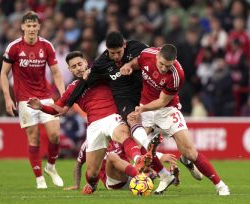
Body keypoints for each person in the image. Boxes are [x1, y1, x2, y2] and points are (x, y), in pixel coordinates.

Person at [60, 31, 177, 193]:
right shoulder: (96, 133)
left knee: (144, 139)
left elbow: (155, 57)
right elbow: (79, 162)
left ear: (124, 46)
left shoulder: (137, 48)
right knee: (117, 153)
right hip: (115, 176)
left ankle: (166, 170)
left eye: (118, 53)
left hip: (144, 95)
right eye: (111, 53)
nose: (115, 57)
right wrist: (68, 103)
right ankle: (147, 171)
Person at [27, 51, 155, 194]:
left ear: (86, 63)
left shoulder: (101, 74)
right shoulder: (72, 88)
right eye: (74, 66)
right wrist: (41, 107)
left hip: (111, 116)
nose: (78, 68)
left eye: (80, 64)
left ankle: (138, 160)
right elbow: (59, 109)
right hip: (94, 126)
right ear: (70, 70)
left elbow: (119, 71)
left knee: (123, 133)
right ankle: (92, 185)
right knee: (92, 173)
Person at [120, 44, 230, 196]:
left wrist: (142, 109)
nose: (164, 68)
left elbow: (162, 102)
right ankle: (165, 176)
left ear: (174, 61)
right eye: (162, 64)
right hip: (145, 107)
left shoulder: (177, 74)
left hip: (167, 110)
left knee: (190, 151)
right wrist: (128, 65)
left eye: (168, 65)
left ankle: (220, 185)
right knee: (139, 148)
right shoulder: (147, 54)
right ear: (157, 56)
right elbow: (136, 62)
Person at [0, 11, 65, 189]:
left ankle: (50, 167)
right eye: (28, 26)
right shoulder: (14, 47)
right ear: (22, 27)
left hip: (46, 97)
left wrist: (64, 96)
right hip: (24, 100)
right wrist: (8, 98)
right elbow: (3, 74)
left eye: (34, 25)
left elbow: (56, 73)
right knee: (34, 138)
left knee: (55, 136)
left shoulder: (46, 46)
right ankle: (39, 178)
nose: (31, 29)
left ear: (39, 27)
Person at [63, 139, 180, 191]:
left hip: (128, 176)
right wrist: (76, 185)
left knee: (143, 160)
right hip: (113, 182)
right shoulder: (90, 144)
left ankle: (171, 178)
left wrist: (159, 156)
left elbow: (140, 151)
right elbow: (78, 164)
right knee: (112, 157)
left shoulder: (120, 138)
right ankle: (144, 175)